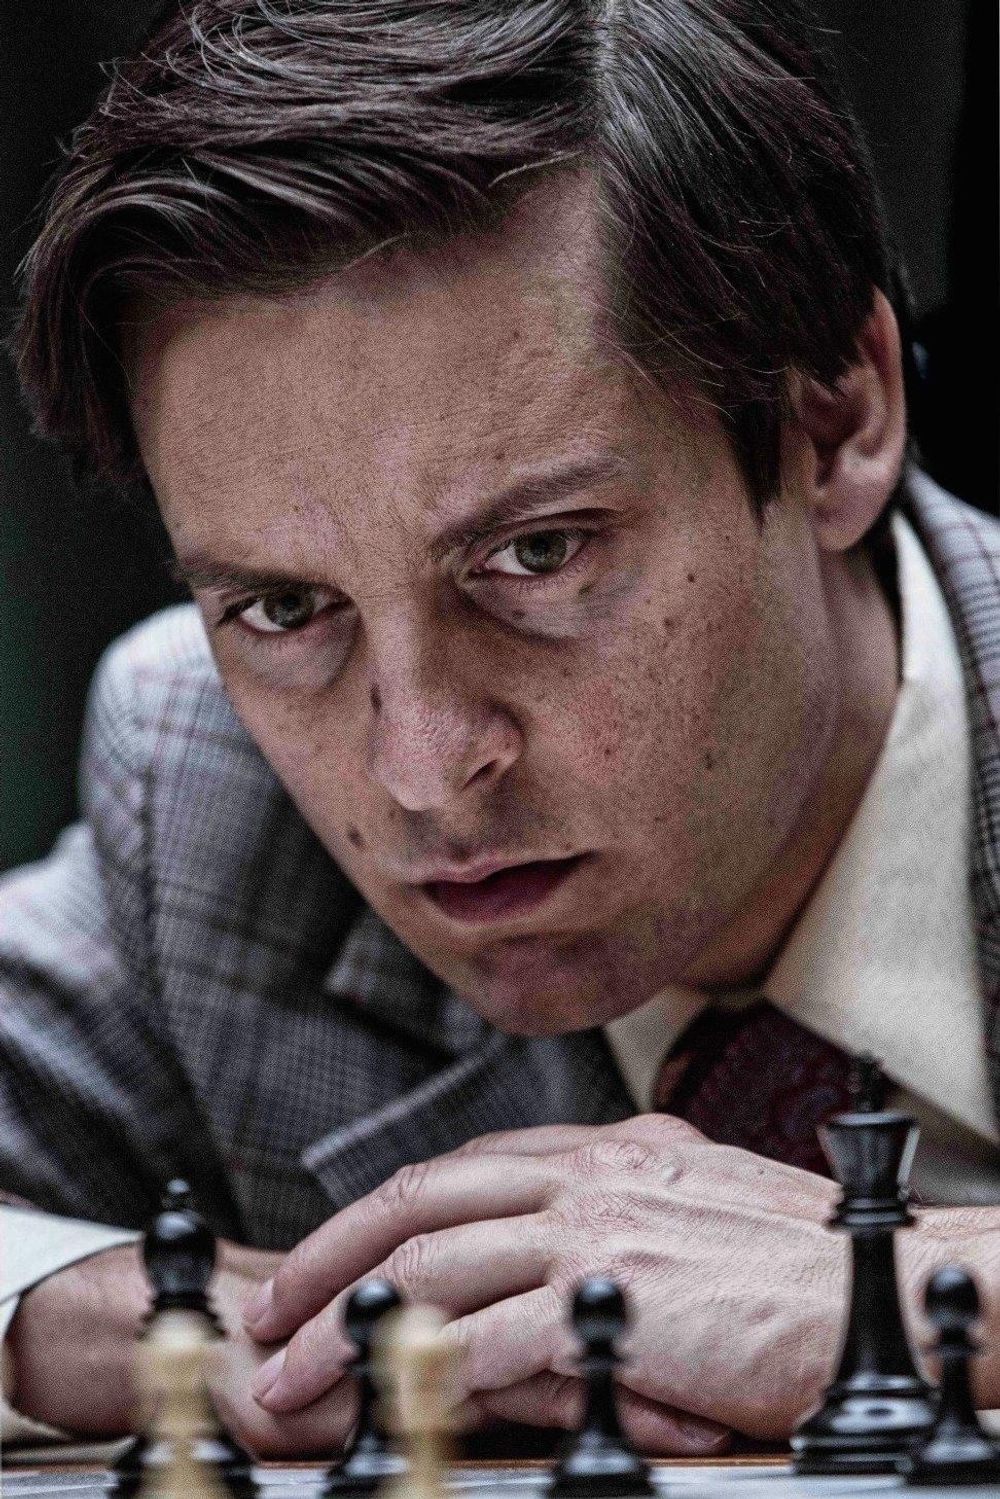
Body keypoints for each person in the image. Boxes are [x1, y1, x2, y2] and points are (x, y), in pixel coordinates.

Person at [2, 0, 998, 1460]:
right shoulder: (205, 784)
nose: (421, 770)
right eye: (284, 608)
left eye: (538, 556)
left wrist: (905, 1287)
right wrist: (192, 1329)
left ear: (836, 417)